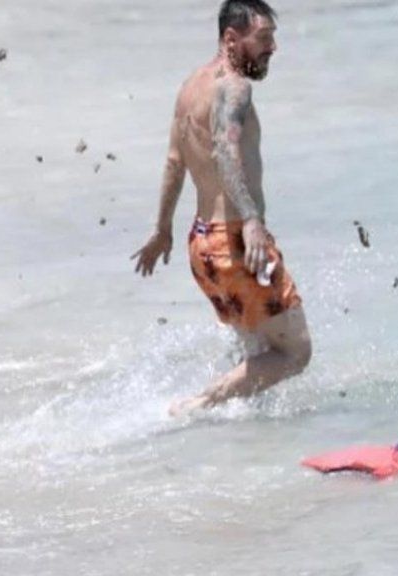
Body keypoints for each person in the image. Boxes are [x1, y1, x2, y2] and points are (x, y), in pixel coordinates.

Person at [131, 0, 311, 416]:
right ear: (232, 39)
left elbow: (175, 162)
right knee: (296, 352)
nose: (273, 49)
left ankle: (243, 439)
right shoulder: (235, 88)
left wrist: (162, 231)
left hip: (202, 245)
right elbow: (226, 151)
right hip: (234, 242)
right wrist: (250, 219)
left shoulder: (190, 86)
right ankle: (199, 404)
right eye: (263, 39)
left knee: (259, 347)